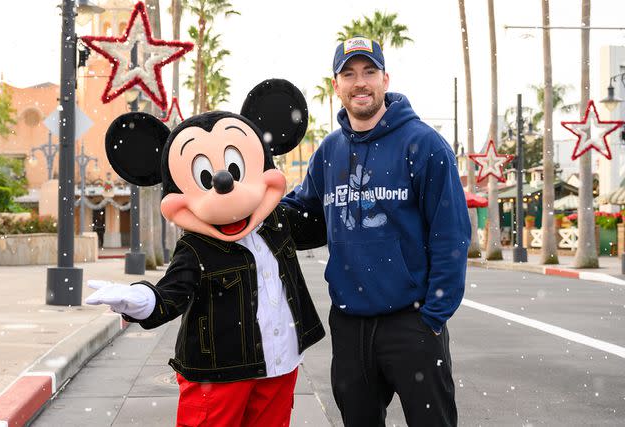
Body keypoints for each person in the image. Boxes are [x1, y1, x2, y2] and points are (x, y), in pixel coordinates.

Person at [86, 79, 326, 427]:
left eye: (235, 170)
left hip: (280, 363)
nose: (225, 184)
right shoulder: (195, 247)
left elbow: (327, 223)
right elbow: (173, 292)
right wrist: (143, 299)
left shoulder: (278, 220)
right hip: (218, 375)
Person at [281, 37, 471, 426]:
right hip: (350, 326)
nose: (360, 82)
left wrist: (433, 317)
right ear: (336, 85)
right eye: (348, 74)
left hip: (413, 323)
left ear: (385, 78)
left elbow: (451, 236)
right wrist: (256, 204)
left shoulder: (424, 144)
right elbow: (303, 216)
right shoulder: (329, 152)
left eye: (369, 72)